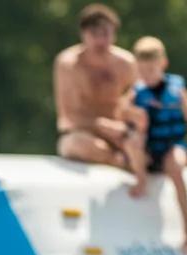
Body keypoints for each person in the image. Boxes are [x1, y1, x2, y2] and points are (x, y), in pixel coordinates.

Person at [54, 5, 148, 198]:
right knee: (74, 144)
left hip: (121, 134)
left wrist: (127, 127)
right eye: (95, 33)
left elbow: (141, 106)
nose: (101, 40)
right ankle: (121, 162)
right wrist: (100, 125)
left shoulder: (126, 63)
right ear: (83, 34)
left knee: (149, 144)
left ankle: (132, 160)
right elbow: (66, 116)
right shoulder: (68, 64)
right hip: (85, 135)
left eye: (106, 33)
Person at [126, 36, 187, 254]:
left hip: (172, 146)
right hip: (148, 150)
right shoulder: (137, 91)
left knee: (177, 168)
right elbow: (119, 112)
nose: (147, 76)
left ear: (163, 64)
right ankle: (141, 180)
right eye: (142, 71)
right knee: (133, 139)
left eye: (151, 70)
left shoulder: (177, 89)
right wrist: (132, 112)